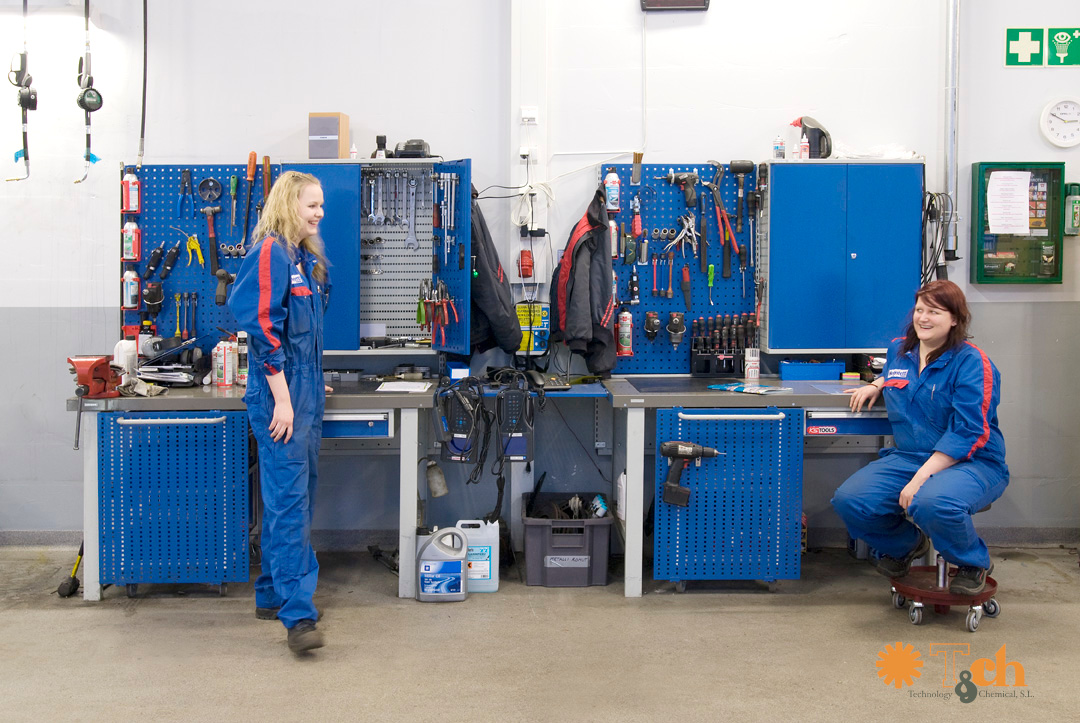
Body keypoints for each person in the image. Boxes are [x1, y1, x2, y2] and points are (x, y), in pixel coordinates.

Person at [831, 280, 1008, 595]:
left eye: (935, 312)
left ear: (955, 319)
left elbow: (968, 431)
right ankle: (905, 545)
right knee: (852, 501)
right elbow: (903, 375)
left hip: (972, 462)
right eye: (920, 310)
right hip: (909, 456)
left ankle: (972, 562)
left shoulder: (972, 363)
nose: (923, 318)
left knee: (931, 502)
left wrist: (920, 479)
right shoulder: (900, 350)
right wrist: (877, 383)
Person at [228, 171, 332, 653]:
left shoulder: (302, 259)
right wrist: (286, 399)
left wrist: (312, 380)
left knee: (293, 499)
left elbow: (300, 334)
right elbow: (263, 331)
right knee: (290, 506)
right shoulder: (270, 252)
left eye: (322, 206)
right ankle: (298, 618)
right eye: (311, 205)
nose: (319, 214)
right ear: (288, 204)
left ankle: (271, 593)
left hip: (304, 393)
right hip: (282, 399)